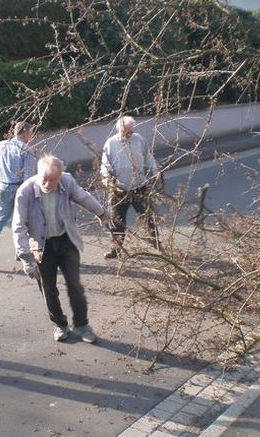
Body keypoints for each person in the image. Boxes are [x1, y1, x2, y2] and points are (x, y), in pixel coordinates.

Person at [12, 155, 111, 343]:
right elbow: (18, 226)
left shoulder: (67, 181)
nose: (48, 183)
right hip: (42, 246)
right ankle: (59, 324)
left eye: (53, 180)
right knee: (48, 289)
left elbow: (83, 197)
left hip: (66, 241)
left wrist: (102, 213)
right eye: (44, 179)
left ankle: (82, 324)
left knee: (75, 285)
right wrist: (26, 258)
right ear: (38, 173)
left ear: (60, 177)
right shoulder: (25, 191)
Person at [100, 115, 161, 259]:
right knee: (117, 221)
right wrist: (107, 179)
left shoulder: (139, 139)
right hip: (119, 189)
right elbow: (105, 165)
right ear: (118, 130)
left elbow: (148, 157)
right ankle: (116, 248)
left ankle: (158, 245)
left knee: (148, 217)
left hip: (139, 186)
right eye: (125, 132)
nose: (129, 134)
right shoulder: (110, 143)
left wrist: (154, 170)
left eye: (131, 131)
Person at [0, 121, 37, 249]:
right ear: (25, 132)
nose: (31, 135)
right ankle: (22, 250)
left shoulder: (1, 145)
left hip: (3, 187)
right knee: (21, 221)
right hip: (20, 188)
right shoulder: (27, 150)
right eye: (31, 132)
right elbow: (28, 177)